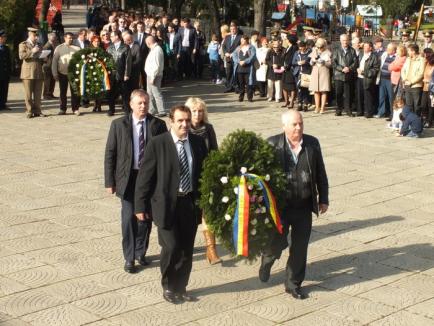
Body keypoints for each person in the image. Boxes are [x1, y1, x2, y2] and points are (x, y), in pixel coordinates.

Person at [134, 105, 208, 304]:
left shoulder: (198, 142)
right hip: (166, 205)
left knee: (186, 249)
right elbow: (145, 177)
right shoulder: (158, 144)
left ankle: (181, 287)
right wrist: (140, 206)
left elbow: (204, 173)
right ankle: (168, 286)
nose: (184, 124)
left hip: (189, 203)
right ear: (171, 122)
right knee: (172, 247)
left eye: (187, 120)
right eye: (180, 121)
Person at [259, 110, 329, 300]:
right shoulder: (272, 144)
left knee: (300, 247)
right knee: (276, 242)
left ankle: (293, 284)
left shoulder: (312, 143)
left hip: (304, 205)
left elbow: (320, 172)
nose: (298, 127)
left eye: (301, 123)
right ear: (284, 127)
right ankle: (267, 259)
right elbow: (259, 176)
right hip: (281, 206)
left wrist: (323, 198)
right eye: (294, 124)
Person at [105, 89, 167, 273]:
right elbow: (110, 153)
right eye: (139, 103)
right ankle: (129, 257)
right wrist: (110, 181)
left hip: (149, 179)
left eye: (146, 103)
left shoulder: (158, 125)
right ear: (131, 104)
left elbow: (164, 154)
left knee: (145, 218)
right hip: (128, 178)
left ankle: (141, 251)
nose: (143, 106)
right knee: (128, 218)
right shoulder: (118, 125)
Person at [185, 97, 221, 264]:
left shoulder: (209, 128)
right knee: (190, 215)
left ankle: (211, 249)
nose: (197, 114)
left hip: (205, 176)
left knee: (209, 213)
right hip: (187, 177)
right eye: (194, 111)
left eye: (200, 111)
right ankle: (186, 245)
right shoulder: (183, 128)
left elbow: (214, 151)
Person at [52, 32, 81, 116]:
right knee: (62, 92)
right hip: (62, 73)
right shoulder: (59, 48)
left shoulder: (77, 48)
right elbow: (54, 61)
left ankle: (75, 108)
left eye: (72, 38)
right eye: (69, 38)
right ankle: (62, 109)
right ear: (65, 38)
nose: (71, 39)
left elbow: (81, 61)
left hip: (74, 74)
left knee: (75, 92)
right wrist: (54, 73)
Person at [19, 27, 45, 119]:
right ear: (30, 35)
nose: (36, 37)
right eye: (35, 35)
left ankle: (38, 110)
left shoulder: (39, 44)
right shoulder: (23, 44)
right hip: (28, 72)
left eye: (37, 35)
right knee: (28, 94)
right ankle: (29, 111)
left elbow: (42, 57)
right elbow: (21, 56)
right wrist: (32, 51)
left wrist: (44, 55)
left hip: (38, 71)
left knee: (38, 93)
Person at [332, 34, 358, 117]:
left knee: (348, 94)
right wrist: (341, 68)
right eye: (343, 40)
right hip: (339, 75)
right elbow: (334, 62)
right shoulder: (336, 50)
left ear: (349, 40)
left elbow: (355, 62)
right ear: (340, 41)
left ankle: (348, 110)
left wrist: (349, 68)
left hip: (348, 75)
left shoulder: (352, 50)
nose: (345, 42)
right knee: (338, 93)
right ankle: (338, 109)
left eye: (346, 40)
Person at [107, 30, 132, 116]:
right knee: (111, 93)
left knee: (125, 93)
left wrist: (126, 74)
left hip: (122, 74)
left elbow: (128, 62)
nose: (110, 38)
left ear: (117, 36)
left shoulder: (125, 47)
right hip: (111, 75)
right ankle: (111, 110)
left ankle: (127, 110)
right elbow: (107, 61)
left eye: (112, 36)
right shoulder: (109, 48)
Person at [356, 42, 380, 118]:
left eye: (366, 46)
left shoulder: (374, 57)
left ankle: (368, 112)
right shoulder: (361, 54)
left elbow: (375, 70)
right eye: (364, 46)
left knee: (368, 96)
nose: (364, 48)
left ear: (370, 48)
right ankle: (360, 111)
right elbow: (357, 64)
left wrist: (364, 72)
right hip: (359, 78)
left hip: (368, 79)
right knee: (359, 95)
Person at [145, 35, 166, 117]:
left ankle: (161, 110)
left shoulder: (157, 50)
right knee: (149, 94)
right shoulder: (154, 49)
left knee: (156, 93)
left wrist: (153, 77)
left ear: (148, 42)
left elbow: (156, 65)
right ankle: (151, 110)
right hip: (150, 75)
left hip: (154, 75)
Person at [309, 38, 332, 114]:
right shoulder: (314, 51)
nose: (319, 48)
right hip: (315, 72)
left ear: (324, 46)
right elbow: (310, 63)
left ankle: (322, 108)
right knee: (316, 90)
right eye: (318, 47)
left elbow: (330, 64)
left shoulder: (328, 53)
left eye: (321, 47)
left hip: (324, 72)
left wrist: (324, 62)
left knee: (323, 90)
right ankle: (317, 107)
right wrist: (313, 61)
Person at [401, 44, 425, 116]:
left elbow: (420, 74)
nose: (408, 52)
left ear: (413, 51)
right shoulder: (408, 59)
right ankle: (409, 120)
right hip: (407, 84)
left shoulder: (421, 60)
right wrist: (404, 79)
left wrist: (411, 82)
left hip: (416, 86)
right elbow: (403, 70)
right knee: (409, 104)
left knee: (416, 105)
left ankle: (416, 121)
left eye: (409, 50)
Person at [376, 43, 397, 118]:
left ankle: (392, 113)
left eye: (389, 49)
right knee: (382, 96)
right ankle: (381, 112)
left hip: (390, 80)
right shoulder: (385, 55)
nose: (387, 50)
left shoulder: (396, 57)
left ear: (394, 50)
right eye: (387, 49)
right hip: (382, 78)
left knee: (391, 97)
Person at [233, 35, 256, 102]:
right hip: (240, 68)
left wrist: (245, 61)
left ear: (247, 40)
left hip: (248, 69)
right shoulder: (238, 47)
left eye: (243, 40)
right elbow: (234, 55)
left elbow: (253, 56)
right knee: (241, 83)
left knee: (249, 83)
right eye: (241, 40)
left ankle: (249, 97)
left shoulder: (251, 47)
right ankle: (241, 96)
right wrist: (239, 61)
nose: (242, 41)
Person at [123, 31, 143, 107]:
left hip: (134, 73)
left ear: (130, 40)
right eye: (124, 40)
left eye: (125, 40)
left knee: (134, 89)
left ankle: (135, 103)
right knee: (126, 90)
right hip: (125, 73)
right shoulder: (124, 46)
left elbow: (138, 60)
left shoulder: (137, 47)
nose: (124, 42)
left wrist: (129, 66)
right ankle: (127, 104)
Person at [292, 40, 312, 112]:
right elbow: (293, 62)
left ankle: (305, 104)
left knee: (305, 89)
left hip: (306, 73)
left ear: (305, 47)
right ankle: (300, 104)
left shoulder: (309, 53)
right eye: (300, 48)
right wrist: (298, 63)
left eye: (302, 48)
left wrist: (306, 62)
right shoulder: (296, 53)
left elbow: (311, 62)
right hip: (298, 74)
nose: (301, 50)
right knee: (299, 89)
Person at [223, 22, 242, 92]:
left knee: (236, 73)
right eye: (231, 29)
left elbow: (241, 46)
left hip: (236, 58)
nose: (232, 31)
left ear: (236, 29)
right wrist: (225, 53)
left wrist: (233, 54)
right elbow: (223, 46)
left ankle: (236, 87)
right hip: (228, 57)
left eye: (234, 29)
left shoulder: (240, 37)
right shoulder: (227, 37)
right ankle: (229, 87)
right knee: (228, 73)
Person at [281, 35, 298, 108]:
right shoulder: (287, 47)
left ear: (290, 40)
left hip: (290, 69)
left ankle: (291, 102)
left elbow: (293, 58)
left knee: (291, 86)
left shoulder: (294, 48)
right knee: (284, 85)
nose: (286, 40)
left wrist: (287, 66)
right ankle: (286, 101)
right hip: (284, 68)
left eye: (287, 39)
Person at [42, 33, 58, 100]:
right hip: (47, 66)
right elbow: (43, 56)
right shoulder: (47, 46)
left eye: (55, 37)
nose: (54, 38)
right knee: (47, 81)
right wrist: (46, 61)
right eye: (53, 37)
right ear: (49, 38)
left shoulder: (54, 44)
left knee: (52, 80)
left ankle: (51, 93)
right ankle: (46, 95)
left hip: (52, 65)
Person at [421, 48, 434, 126]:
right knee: (423, 104)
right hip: (425, 88)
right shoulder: (426, 63)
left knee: (430, 105)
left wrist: (429, 81)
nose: (425, 56)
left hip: (432, 88)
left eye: (427, 54)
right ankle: (425, 119)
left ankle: (430, 121)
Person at [0, 30, 11, 111]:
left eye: (5, 37)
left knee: (4, 89)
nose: (5, 39)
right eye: (3, 37)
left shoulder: (6, 48)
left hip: (5, 72)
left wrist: (9, 71)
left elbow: (8, 60)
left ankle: (3, 104)